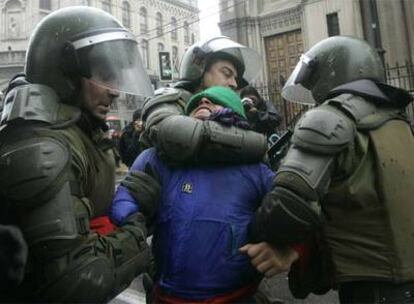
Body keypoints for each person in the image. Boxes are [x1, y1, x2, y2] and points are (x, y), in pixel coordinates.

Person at [0, 7, 155, 302]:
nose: (115, 91)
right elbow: (76, 281)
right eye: (105, 74)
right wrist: (138, 230)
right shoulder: (43, 147)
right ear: (65, 73)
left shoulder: (77, 132)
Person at [251, 36, 414, 303]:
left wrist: (252, 231)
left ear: (328, 72)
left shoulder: (331, 117)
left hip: (371, 285)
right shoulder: (397, 119)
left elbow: (287, 209)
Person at [110, 86, 298, 302]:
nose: (204, 100)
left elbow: (296, 212)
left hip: (235, 297)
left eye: (217, 100)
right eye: (196, 103)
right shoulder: (158, 159)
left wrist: (286, 250)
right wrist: (131, 219)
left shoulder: (254, 170)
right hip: (165, 297)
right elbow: (126, 196)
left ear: (236, 115)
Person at [139, 36, 268, 166]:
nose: (234, 84)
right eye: (226, 73)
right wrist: (258, 146)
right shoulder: (169, 97)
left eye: (236, 79)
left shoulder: (233, 108)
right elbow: (174, 135)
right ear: (199, 69)